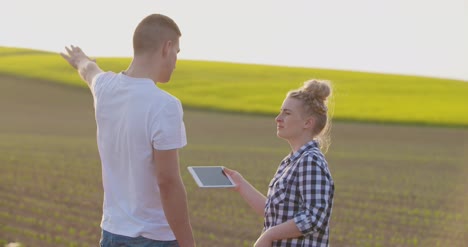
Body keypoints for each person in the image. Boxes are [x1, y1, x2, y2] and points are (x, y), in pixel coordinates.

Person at [60, 14, 195, 247]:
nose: (176, 61)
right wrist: (188, 244)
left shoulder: (105, 88)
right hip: (154, 239)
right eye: (177, 53)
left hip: (111, 234)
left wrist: (80, 59)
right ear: (167, 47)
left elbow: (89, 70)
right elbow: (168, 182)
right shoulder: (165, 105)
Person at [224, 79, 335, 247]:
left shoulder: (310, 161)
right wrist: (240, 184)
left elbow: (314, 217)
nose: (278, 118)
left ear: (308, 123)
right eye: (280, 112)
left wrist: (268, 235)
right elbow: (274, 213)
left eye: (287, 113)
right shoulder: (290, 161)